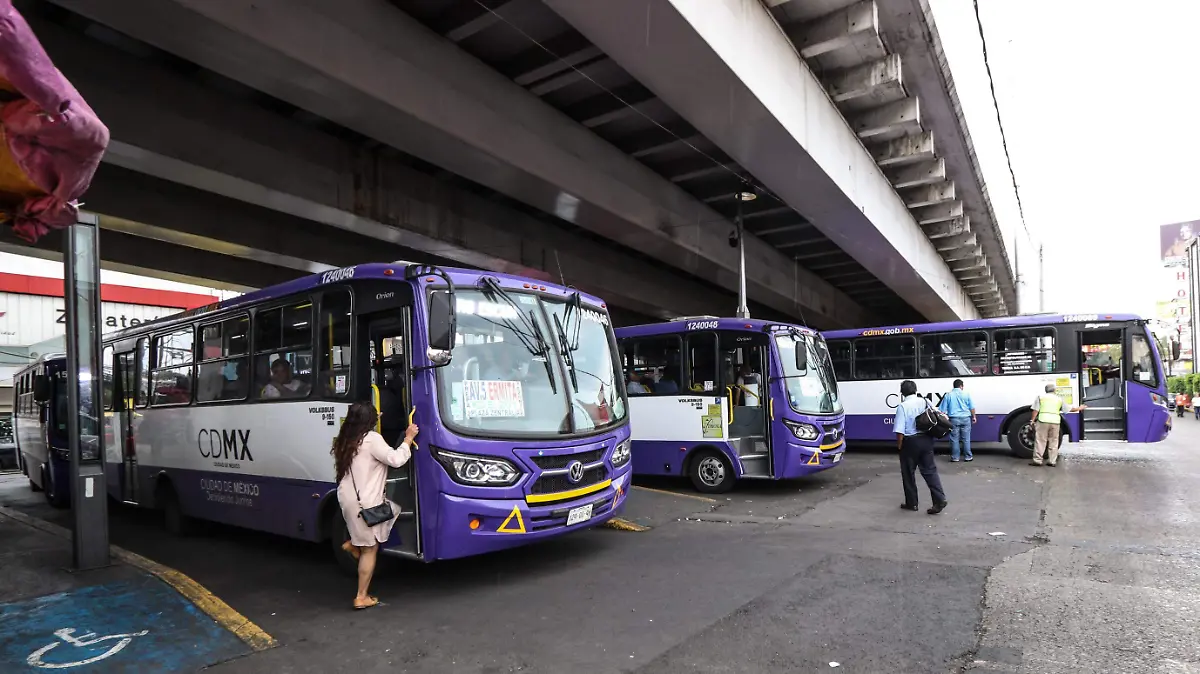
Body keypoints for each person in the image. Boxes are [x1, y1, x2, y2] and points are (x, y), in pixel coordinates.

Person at [331, 401, 418, 610]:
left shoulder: (345, 439)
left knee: (393, 510)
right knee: (370, 550)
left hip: (348, 499)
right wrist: (408, 438)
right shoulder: (372, 439)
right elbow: (396, 460)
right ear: (369, 420)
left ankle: (354, 543)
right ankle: (361, 596)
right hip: (367, 503)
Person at [893, 380, 948, 515]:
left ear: (902, 393)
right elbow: (939, 414)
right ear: (915, 390)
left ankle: (912, 503)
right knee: (930, 471)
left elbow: (900, 431)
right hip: (926, 439)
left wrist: (900, 446)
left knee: (908, 473)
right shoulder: (924, 401)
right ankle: (939, 499)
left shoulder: (902, 406)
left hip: (910, 442)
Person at [1030, 383, 1085, 467]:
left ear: (1046, 390)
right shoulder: (1059, 399)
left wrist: (1032, 420)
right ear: (1054, 390)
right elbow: (1069, 409)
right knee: (1054, 441)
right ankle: (1052, 461)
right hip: (1055, 422)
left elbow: (1035, 410)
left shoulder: (1041, 397)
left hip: (1043, 421)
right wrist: (1079, 408)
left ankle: (1038, 460)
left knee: (1040, 441)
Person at [938, 379, 977, 462]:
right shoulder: (966, 394)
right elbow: (972, 407)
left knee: (954, 439)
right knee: (966, 438)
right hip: (966, 419)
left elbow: (942, 410)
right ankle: (968, 456)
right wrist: (974, 417)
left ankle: (955, 457)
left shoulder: (948, 395)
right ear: (961, 386)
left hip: (954, 419)